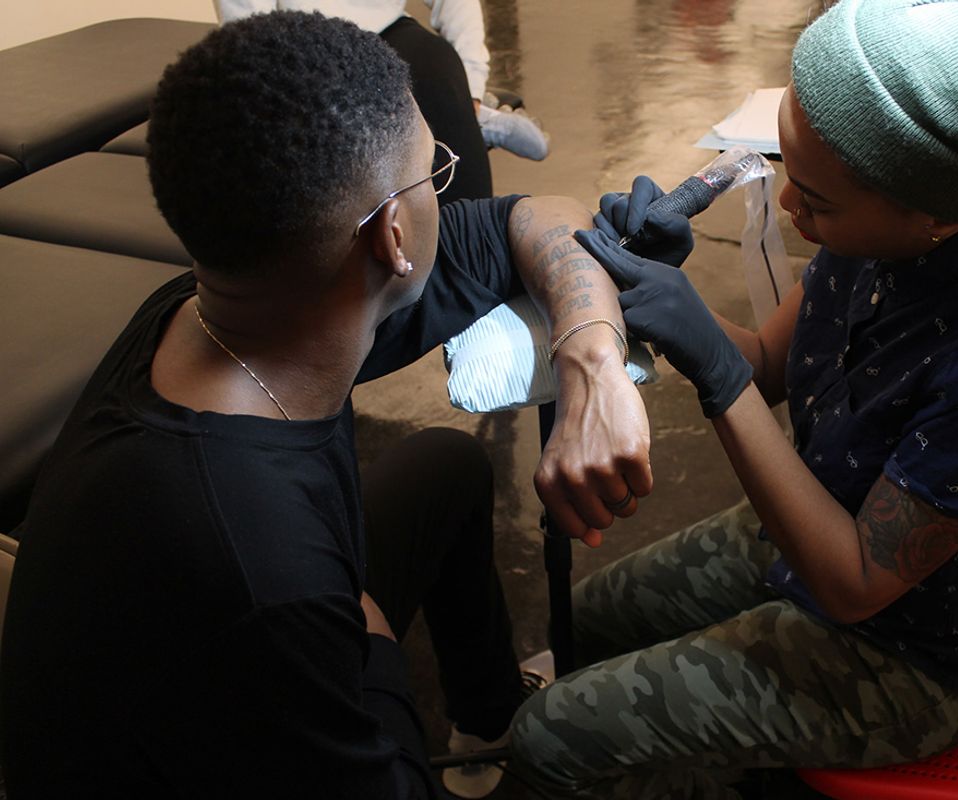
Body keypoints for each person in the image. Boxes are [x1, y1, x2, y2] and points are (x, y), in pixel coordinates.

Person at [0, 11, 647, 799]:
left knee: (447, 470)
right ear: (393, 238)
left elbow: (538, 214)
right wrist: (362, 625)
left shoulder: (250, 303)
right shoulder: (263, 576)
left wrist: (592, 359)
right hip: (225, 698)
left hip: (236, 629)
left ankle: (488, 717)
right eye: (435, 170)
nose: (448, 184)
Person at [510, 0, 958, 797]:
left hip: (914, 653)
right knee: (587, 618)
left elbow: (853, 583)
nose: (791, 210)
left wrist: (713, 370)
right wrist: (665, 292)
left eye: (817, 203)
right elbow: (763, 361)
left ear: (928, 216)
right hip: (824, 513)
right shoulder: (883, 230)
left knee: (551, 736)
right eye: (789, 173)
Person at [216, 0, 550, 208]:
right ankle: (481, 123)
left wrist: (471, 87)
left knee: (437, 65)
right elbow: (251, 29)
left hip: (386, 28)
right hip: (301, 39)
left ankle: (469, 241)